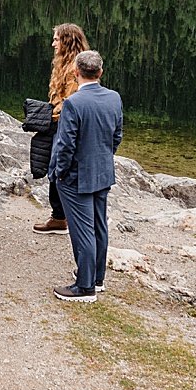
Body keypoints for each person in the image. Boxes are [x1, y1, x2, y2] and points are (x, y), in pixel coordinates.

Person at [49, 49, 124, 303]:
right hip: (102, 173)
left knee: (83, 231)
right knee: (99, 226)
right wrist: (103, 158)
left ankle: (85, 287)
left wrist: (60, 172)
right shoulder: (114, 98)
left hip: (76, 178)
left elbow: (65, 144)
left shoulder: (73, 103)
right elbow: (117, 136)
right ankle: (97, 278)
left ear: (75, 72)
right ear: (100, 73)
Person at [32, 23, 89, 235]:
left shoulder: (76, 66)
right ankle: (60, 215)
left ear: (67, 41)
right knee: (51, 165)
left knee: (58, 167)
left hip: (66, 124)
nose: (53, 43)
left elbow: (73, 101)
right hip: (57, 121)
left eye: (56, 39)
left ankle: (61, 217)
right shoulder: (62, 63)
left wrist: (55, 113)